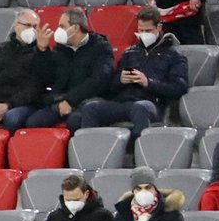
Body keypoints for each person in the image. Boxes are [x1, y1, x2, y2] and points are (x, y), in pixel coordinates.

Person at [67, 8, 188, 137]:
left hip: (152, 103)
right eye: (141, 30)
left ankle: (140, 153)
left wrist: (148, 82)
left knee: (139, 108)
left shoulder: (174, 55)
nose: (143, 34)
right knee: (91, 108)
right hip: (123, 102)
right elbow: (110, 87)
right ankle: (93, 152)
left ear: (159, 27)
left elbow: (179, 87)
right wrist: (120, 80)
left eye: (148, 31)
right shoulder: (130, 53)